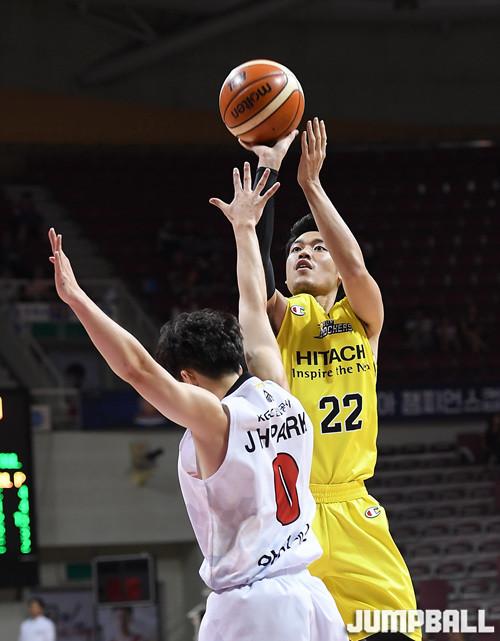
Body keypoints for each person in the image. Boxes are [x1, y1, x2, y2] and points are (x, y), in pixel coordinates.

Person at [48, 164, 347, 641]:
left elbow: (137, 368)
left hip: (254, 606)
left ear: (187, 377)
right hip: (311, 596)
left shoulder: (216, 418)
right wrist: (245, 228)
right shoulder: (279, 389)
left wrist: (77, 299)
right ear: (237, 351)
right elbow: (252, 300)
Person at [242, 118, 420, 641]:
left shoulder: (362, 318)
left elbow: (357, 268)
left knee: (396, 629)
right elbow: (258, 278)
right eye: (297, 248)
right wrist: (269, 169)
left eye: (319, 248)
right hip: (293, 510)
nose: (304, 252)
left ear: (336, 269)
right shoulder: (283, 317)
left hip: (354, 505)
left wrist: (312, 185)